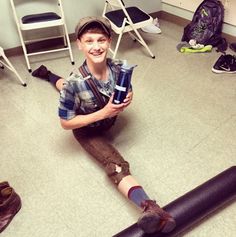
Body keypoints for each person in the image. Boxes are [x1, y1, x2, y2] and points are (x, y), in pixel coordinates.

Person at [32, 16, 176, 234]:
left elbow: (128, 88)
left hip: (107, 117)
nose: (96, 46)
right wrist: (105, 112)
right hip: (87, 130)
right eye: (89, 41)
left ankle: (50, 74)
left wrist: (129, 96)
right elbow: (65, 122)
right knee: (114, 163)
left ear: (109, 41)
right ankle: (150, 207)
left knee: (65, 85)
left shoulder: (118, 67)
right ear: (79, 44)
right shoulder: (75, 83)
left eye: (101, 40)